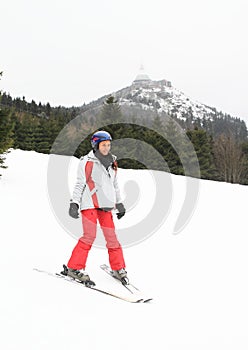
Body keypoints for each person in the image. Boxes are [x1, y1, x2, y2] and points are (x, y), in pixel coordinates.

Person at [64, 130, 127, 284]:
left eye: (108, 145)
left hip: (105, 205)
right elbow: (80, 183)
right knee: (89, 236)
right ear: (95, 145)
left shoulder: (112, 162)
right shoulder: (87, 161)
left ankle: (118, 268)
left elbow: (114, 185)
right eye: (103, 145)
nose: (106, 148)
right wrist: (74, 203)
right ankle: (74, 268)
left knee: (112, 239)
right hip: (90, 203)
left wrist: (119, 203)